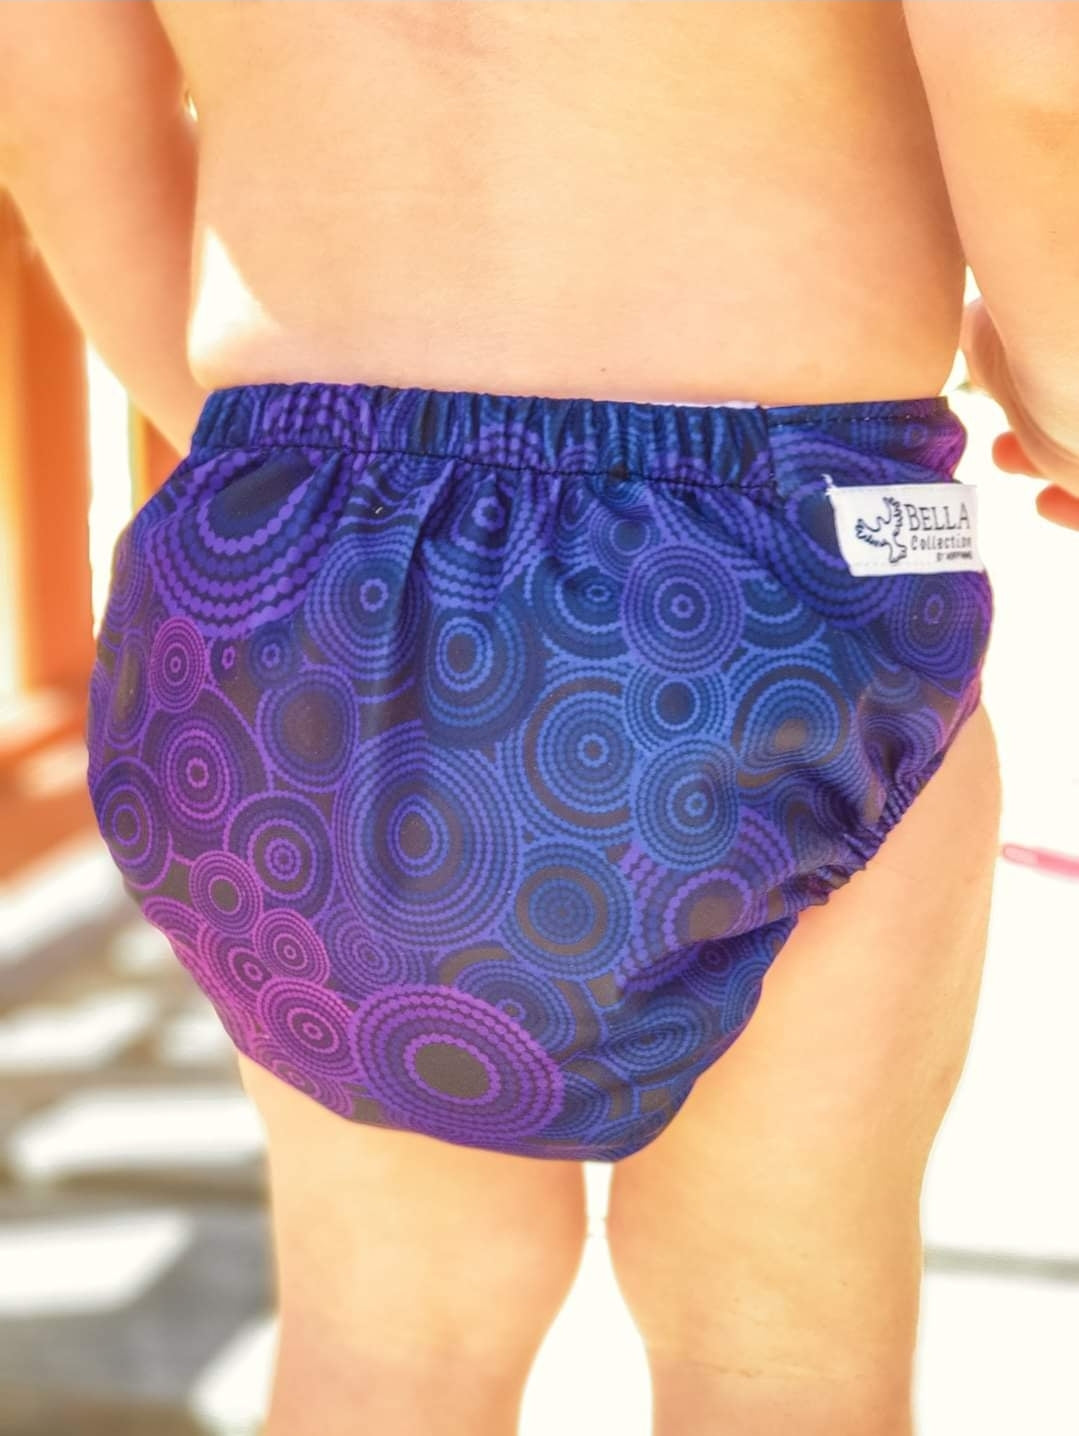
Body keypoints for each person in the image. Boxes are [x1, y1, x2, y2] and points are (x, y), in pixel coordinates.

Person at [1, 5, 1076, 1435]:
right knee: (773, 1349)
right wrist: (1063, 392)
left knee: (390, 1334)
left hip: (286, 579)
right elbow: (1032, 70)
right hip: (733, 590)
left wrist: (263, 486)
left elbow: (53, 98)